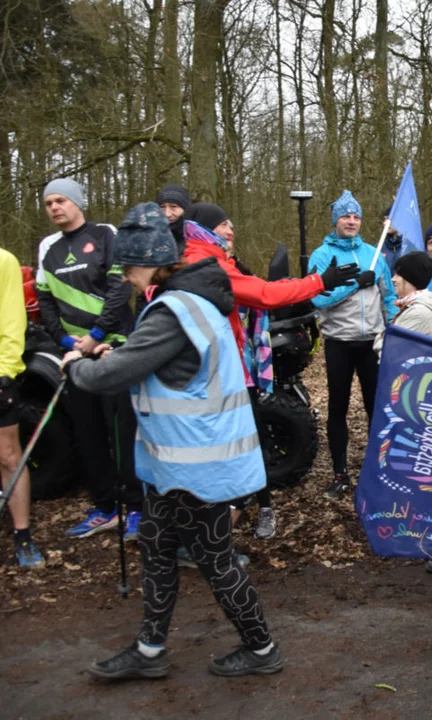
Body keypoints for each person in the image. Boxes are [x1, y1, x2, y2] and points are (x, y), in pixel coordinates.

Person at [64, 203, 283, 679]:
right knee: (158, 548)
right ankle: (149, 651)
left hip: (195, 468)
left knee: (215, 560)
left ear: (146, 265)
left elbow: (113, 377)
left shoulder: (172, 311)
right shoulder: (192, 301)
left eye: (125, 268)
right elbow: (158, 363)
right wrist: (116, 350)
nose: (123, 278)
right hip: (178, 464)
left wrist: (79, 366)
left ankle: (262, 649)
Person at [183, 202, 360, 537]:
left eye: (232, 224)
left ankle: (254, 508)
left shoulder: (217, 260)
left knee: (250, 437)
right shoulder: (203, 264)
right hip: (217, 372)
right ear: (204, 229)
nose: (230, 231)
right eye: (223, 225)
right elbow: (263, 294)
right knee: (237, 446)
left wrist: (305, 283)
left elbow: (260, 284)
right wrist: (318, 282)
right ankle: (213, 534)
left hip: (232, 365)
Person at [35, 178, 142, 540]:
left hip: (114, 348)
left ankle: (136, 508)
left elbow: (119, 289)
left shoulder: (106, 234)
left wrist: (95, 337)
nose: (54, 207)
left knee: (123, 431)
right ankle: (105, 506)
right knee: (88, 431)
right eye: (48, 202)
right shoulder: (47, 247)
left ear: (78, 202)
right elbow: (45, 302)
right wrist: (67, 342)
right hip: (74, 356)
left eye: (60, 200)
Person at [309, 190, 398, 500]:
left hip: (371, 343)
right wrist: (354, 284)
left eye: (356, 216)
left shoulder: (374, 254)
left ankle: (378, 471)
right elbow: (316, 298)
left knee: (377, 409)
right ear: (336, 220)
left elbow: (389, 296)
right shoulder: (321, 256)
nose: (351, 221)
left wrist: (395, 325)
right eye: (345, 216)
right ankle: (340, 473)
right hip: (339, 344)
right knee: (338, 408)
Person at [1, 248, 43, 568]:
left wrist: (5, 370)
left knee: (8, 457)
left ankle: (23, 534)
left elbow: (12, 321)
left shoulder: (4, 261)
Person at [373, 251, 432, 356]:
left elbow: (388, 350)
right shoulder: (410, 305)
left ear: (411, 279)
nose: (393, 279)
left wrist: (379, 339)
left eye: (398, 275)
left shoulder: (419, 313)